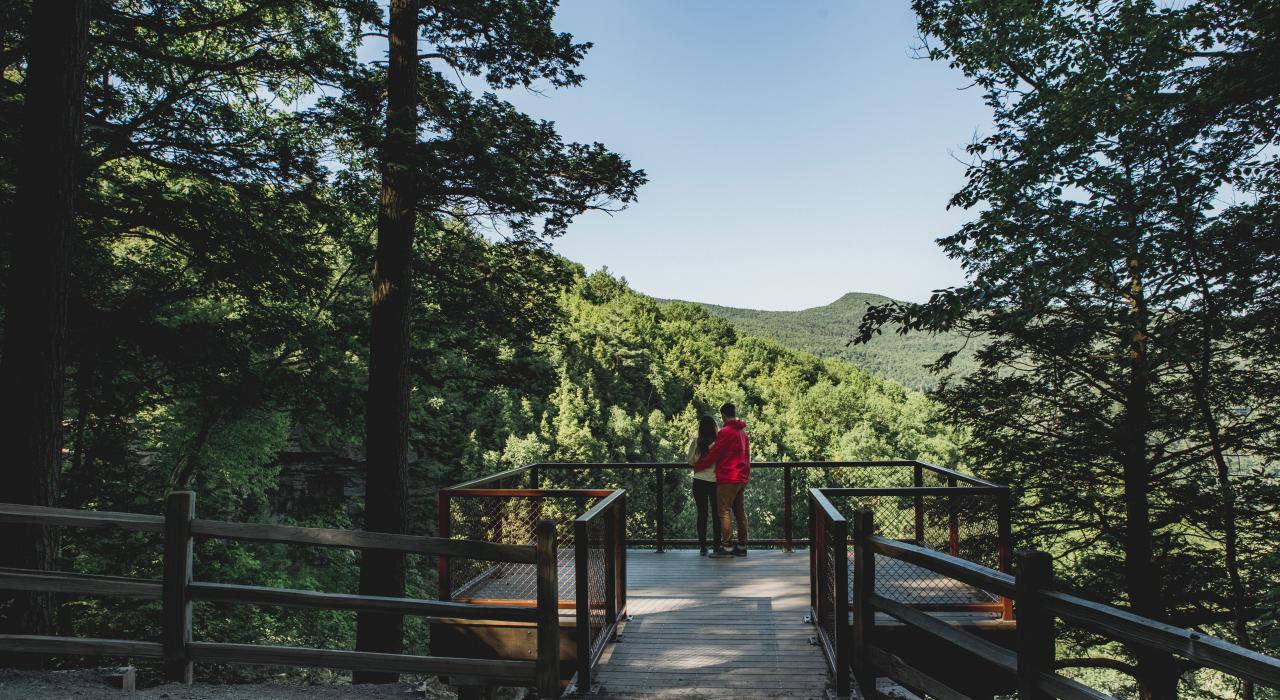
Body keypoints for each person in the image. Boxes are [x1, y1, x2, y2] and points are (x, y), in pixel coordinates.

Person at [694, 402, 750, 558]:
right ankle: (742, 545)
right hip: (742, 478)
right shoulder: (743, 433)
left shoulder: (725, 432)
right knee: (739, 512)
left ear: (724, 415)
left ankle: (726, 547)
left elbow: (714, 454)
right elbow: (747, 456)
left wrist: (699, 465)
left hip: (728, 477)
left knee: (723, 512)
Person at [686, 415, 722, 555]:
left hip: (699, 481)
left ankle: (702, 546)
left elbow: (690, 461)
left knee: (702, 514)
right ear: (714, 427)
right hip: (714, 481)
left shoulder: (696, 442)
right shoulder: (718, 442)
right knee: (716, 515)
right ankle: (717, 545)